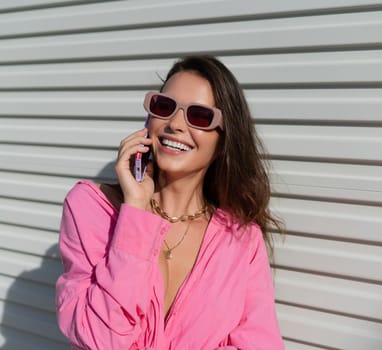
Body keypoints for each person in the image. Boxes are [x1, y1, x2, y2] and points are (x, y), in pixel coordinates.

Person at [56, 55, 285, 349]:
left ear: (223, 142)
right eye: (164, 107)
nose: (175, 124)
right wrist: (136, 209)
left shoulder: (241, 239)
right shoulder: (92, 207)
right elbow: (101, 337)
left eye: (199, 116)